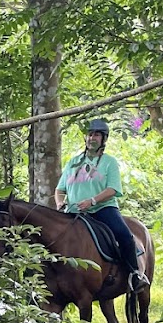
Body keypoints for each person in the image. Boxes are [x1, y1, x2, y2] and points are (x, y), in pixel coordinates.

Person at [54, 119, 150, 291]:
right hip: (74, 213)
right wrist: (60, 202)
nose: (92, 138)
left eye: (96, 135)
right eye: (90, 134)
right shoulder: (73, 162)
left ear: (103, 139)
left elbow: (113, 189)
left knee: (125, 236)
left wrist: (92, 201)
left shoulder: (109, 162)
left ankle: (135, 274)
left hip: (102, 209)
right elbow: (59, 189)